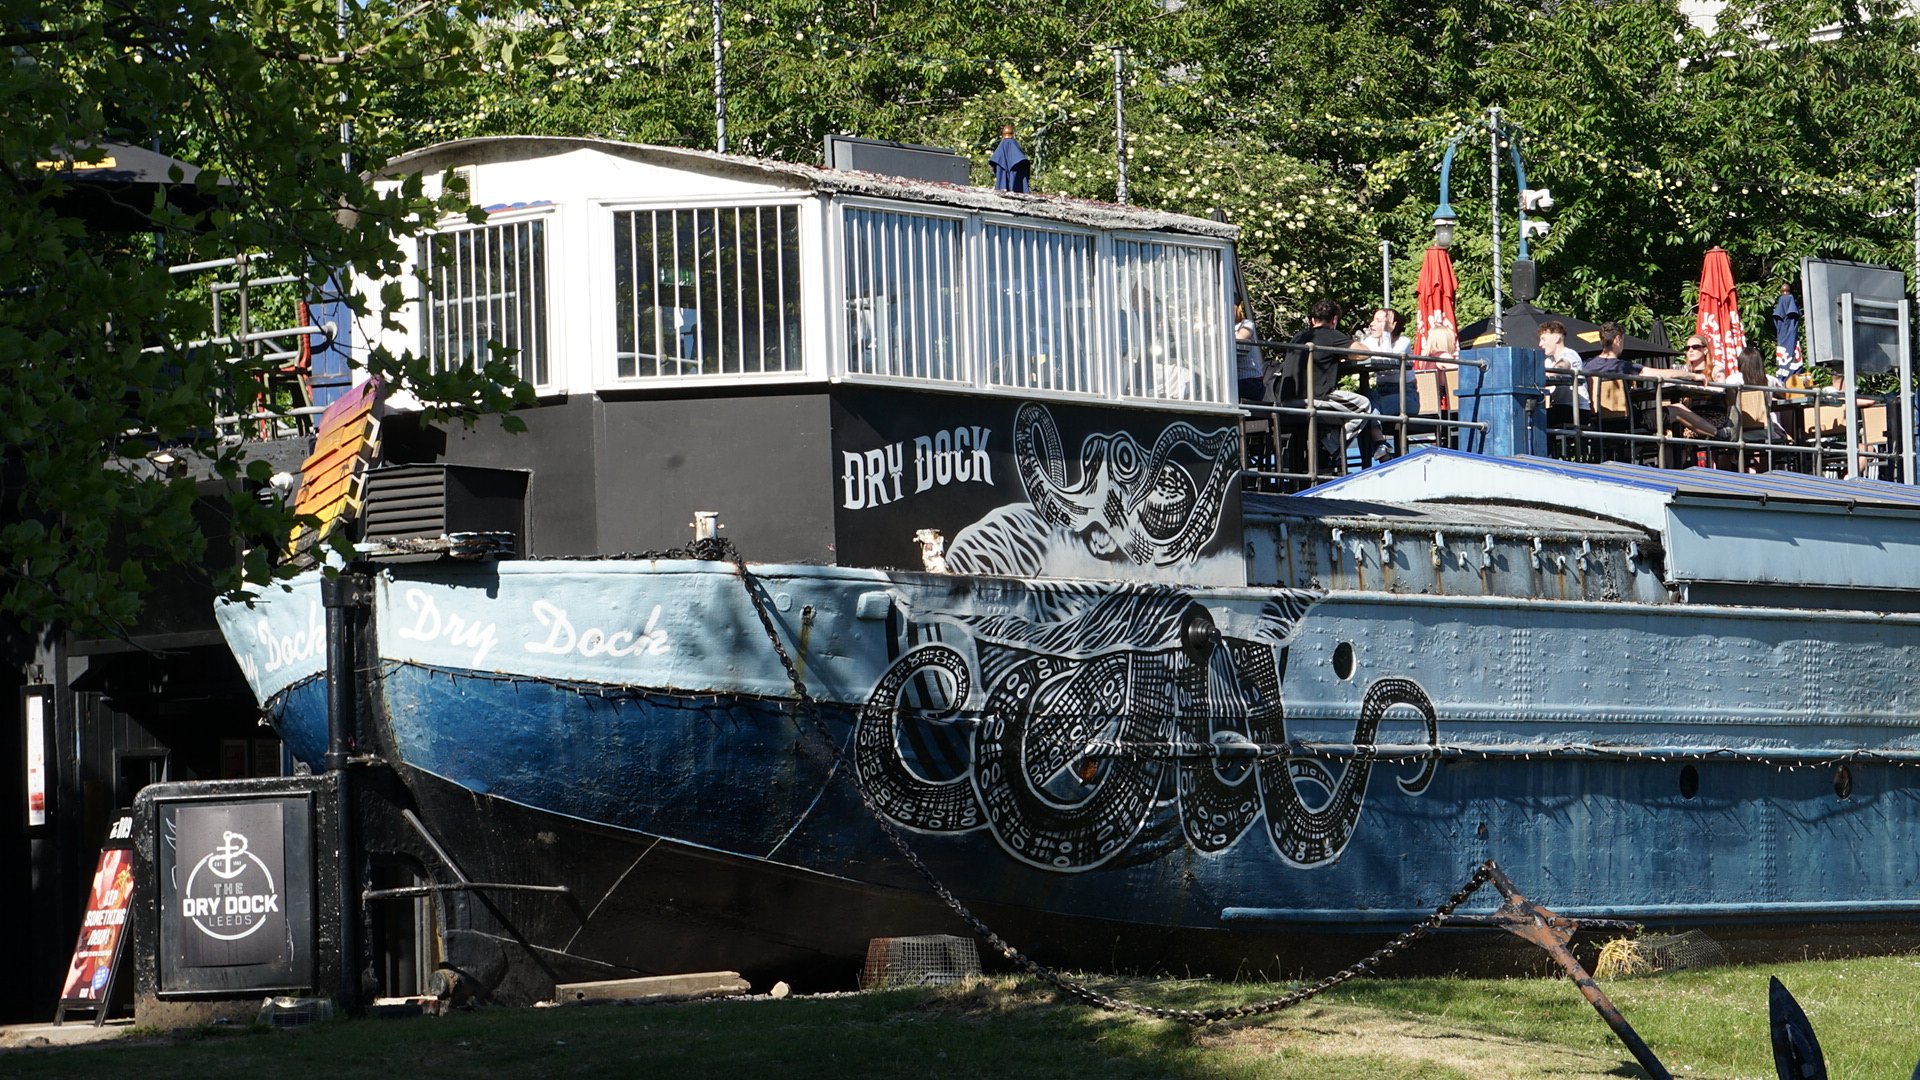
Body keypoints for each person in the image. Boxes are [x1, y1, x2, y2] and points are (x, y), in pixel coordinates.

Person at [1277, 299, 1373, 464]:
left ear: (1313, 320)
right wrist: (1341, 353)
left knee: (1334, 416)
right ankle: (1331, 449)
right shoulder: (1331, 335)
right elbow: (1365, 353)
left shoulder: (1298, 337)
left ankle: (1323, 448)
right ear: (1334, 320)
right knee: (1364, 406)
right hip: (1313, 398)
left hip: (1285, 401)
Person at [1359, 308, 1413, 458]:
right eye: (1373, 319)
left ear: (1392, 324)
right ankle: (1381, 450)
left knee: (1366, 408)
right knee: (1361, 407)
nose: (1372, 324)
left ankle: (1380, 450)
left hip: (1404, 395)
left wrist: (1386, 335)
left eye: (1378, 321)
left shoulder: (1404, 342)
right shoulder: (1369, 341)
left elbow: (1389, 365)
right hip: (1381, 393)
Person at [1539, 320, 1589, 422]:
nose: (1540, 344)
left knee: (1537, 418)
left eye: (1543, 339)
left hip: (1577, 410)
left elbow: (1563, 366)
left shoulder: (1570, 354)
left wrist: (1546, 373)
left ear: (1557, 338)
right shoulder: (1549, 361)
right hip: (1561, 408)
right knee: (1534, 414)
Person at [1234, 303, 1265, 404]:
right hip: (1234, 381)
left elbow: (1239, 339)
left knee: (1223, 391)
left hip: (1251, 382)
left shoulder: (1246, 324)